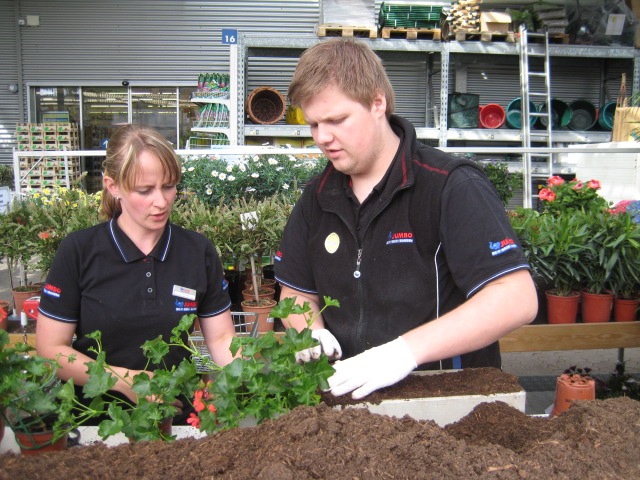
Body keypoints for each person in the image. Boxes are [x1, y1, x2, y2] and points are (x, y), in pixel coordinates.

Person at [274, 38, 538, 400]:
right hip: (349, 397)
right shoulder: (318, 197)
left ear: (377, 102)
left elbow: (515, 298)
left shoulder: (449, 185)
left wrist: (404, 352)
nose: (323, 137)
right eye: (314, 124)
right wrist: (309, 330)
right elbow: (296, 291)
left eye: (336, 120)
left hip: (446, 399)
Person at [36, 124, 236, 422]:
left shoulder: (196, 251)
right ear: (113, 186)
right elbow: (51, 349)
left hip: (175, 417)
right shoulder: (79, 251)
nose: (162, 201)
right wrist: (127, 381)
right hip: (96, 420)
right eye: (145, 190)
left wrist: (242, 378)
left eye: (169, 186)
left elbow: (220, 340)